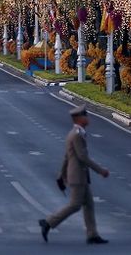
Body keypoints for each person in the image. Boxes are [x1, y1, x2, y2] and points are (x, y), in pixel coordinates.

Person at [39, 105, 109, 245]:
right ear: (78, 118)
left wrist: (61, 174)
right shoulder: (76, 135)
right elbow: (82, 157)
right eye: (85, 116)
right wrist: (101, 170)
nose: (87, 118)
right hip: (77, 176)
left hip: (79, 175)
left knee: (89, 204)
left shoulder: (77, 133)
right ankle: (48, 222)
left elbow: (67, 156)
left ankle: (92, 234)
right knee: (75, 205)